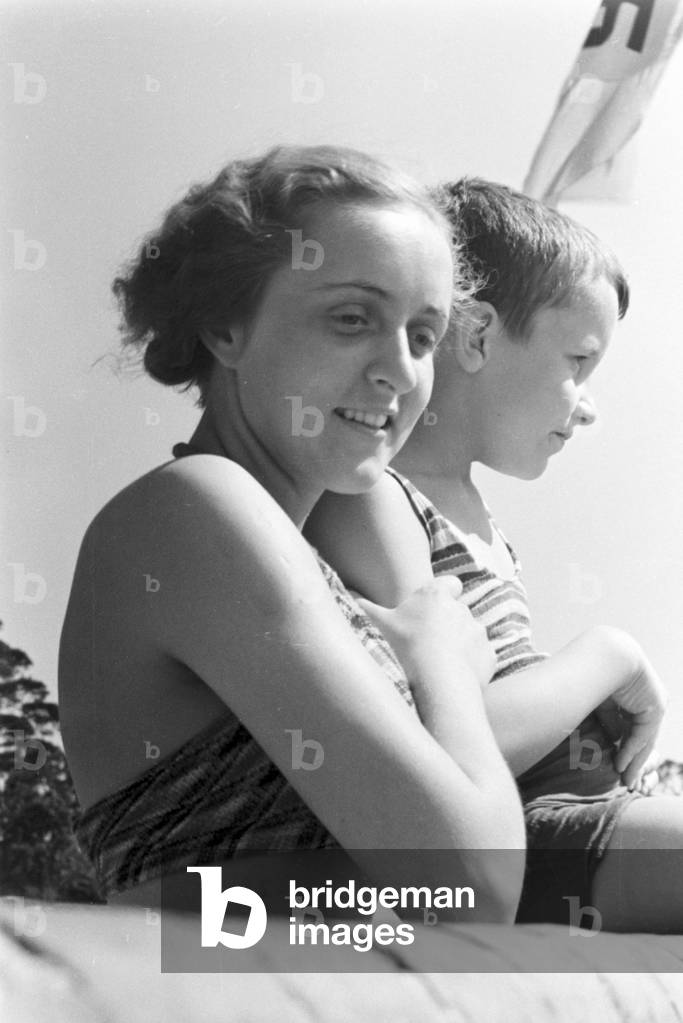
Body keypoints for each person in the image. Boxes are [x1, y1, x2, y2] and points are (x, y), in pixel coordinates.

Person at [58, 149, 525, 919]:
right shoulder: (192, 508)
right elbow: (469, 889)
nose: (402, 372)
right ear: (224, 326)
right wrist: (439, 656)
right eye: (351, 318)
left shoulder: (297, 537)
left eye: (422, 334)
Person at [306, 178, 683, 932]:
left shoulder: (479, 522)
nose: (586, 401)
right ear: (475, 336)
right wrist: (608, 656)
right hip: (524, 843)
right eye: (577, 359)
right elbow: (450, 749)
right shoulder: (378, 500)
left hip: (583, 817)